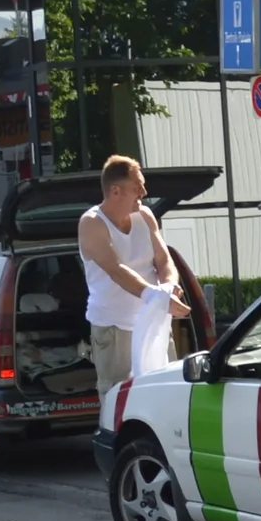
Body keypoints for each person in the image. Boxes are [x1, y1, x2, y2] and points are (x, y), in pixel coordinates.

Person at [77, 154, 187, 396]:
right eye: (138, 187)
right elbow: (115, 269)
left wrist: (169, 286)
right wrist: (154, 295)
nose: (144, 192)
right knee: (118, 396)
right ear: (116, 191)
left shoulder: (146, 216)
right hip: (114, 328)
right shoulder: (92, 223)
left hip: (154, 320)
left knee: (168, 391)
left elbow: (163, 258)